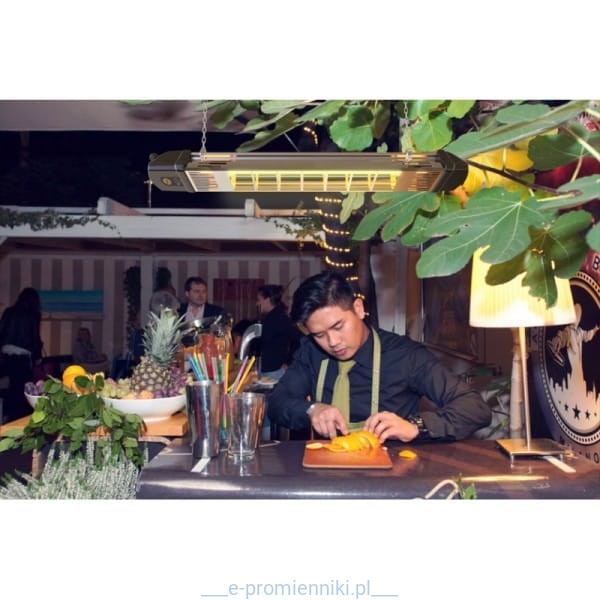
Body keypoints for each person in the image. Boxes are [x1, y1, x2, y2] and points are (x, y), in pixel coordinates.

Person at [267, 271, 492, 443]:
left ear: (358, 309)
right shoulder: (311, 352)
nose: (333, 342)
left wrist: (415, 426)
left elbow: (475, 408)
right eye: (319, 335)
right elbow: (277, 403)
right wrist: (311, 409)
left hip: (392, 474)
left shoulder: (405, 355)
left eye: (338, 326)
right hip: (327, 470)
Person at [0, 287, 43, 420]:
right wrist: (38, 356)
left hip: (6, 353)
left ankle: (7, 415)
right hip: (23, 355)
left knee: (11, 386)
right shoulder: (33, 314)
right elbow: (34, 337)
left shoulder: (9, 311)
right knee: (22, 390)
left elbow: (1, 331)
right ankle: (18, 418)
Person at [256, 284, 302, 381]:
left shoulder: (279, 318)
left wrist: (288, 362)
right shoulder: (271, 317)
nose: (257, 303)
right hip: (270, 369)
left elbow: (299, 340)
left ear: (267, 300)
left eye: (259, 300)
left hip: (275, 371)